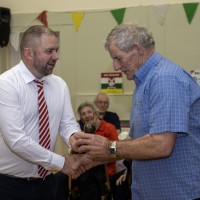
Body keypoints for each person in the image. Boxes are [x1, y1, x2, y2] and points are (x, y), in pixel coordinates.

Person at [72, 23, 200, 200]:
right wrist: (95, 158)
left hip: (176, 193)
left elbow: (161, 144)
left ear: (137, 49)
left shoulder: (165, 79)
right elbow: (136, 141)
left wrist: (109, 147)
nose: (116, 67)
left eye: (118, 58)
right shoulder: (144, 83)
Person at [0, 25, 84, 200]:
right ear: (28, 53)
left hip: (46, 182)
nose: (56, 56)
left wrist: (74, 137)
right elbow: (16, 140)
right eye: (49, 51)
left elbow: (67, 123)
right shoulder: (6, 84)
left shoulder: (59, 84)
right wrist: (62, 163)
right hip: (9, 185)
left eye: (57, 50)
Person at [76, 101, 119, 200]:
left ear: (95, 113)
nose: (87, 116)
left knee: (90, 177)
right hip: (86, 170)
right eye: (83, 114)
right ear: (81, 119)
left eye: (89, 112)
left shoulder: (109, 128)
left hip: (106, 168)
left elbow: (115, 152)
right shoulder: (80, 132)